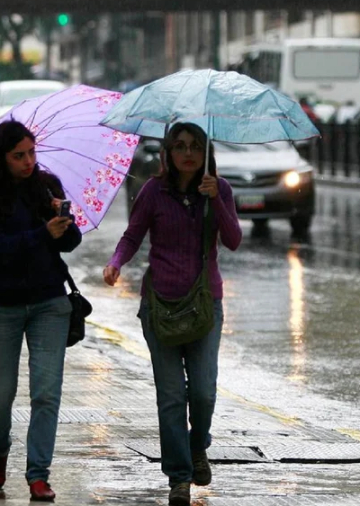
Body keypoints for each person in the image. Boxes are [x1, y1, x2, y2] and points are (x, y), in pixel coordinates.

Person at [102, 122, 241, 506]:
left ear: (206, 151)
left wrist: (215, 201)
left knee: (203, 391)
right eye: (179, 146)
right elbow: (133, 235)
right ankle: (179, 478)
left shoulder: (219, 189)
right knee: (171, 397)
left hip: (204, 305)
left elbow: (233, 240)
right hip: (160, 306)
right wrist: (116, 262)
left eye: (195, 146)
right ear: (168, 153)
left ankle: (198, 446)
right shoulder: (154, 190)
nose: (188, 153)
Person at [0, 120, 81, 501]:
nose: (28, 161)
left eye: (32, 153)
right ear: (2, 158)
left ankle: (38, 474)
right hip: (0, 304)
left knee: (46, 393)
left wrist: (63, 219)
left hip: (50, 302)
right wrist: (41, 233)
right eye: (19, 155)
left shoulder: (46, 186)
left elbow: (70, 242)